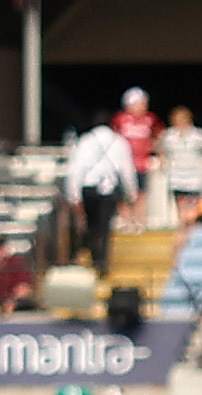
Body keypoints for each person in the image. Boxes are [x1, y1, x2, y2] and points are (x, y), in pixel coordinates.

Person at [63, 113, 137, 277]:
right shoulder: (119, 142)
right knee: (105, 226)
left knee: (91, 224)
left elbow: (76, 169)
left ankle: (92, 254)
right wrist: (131, 193)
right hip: (109, 189)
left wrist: (73, 194)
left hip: (88, 188)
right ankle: (102, 261)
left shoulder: (85, 141)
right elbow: (127, 170)